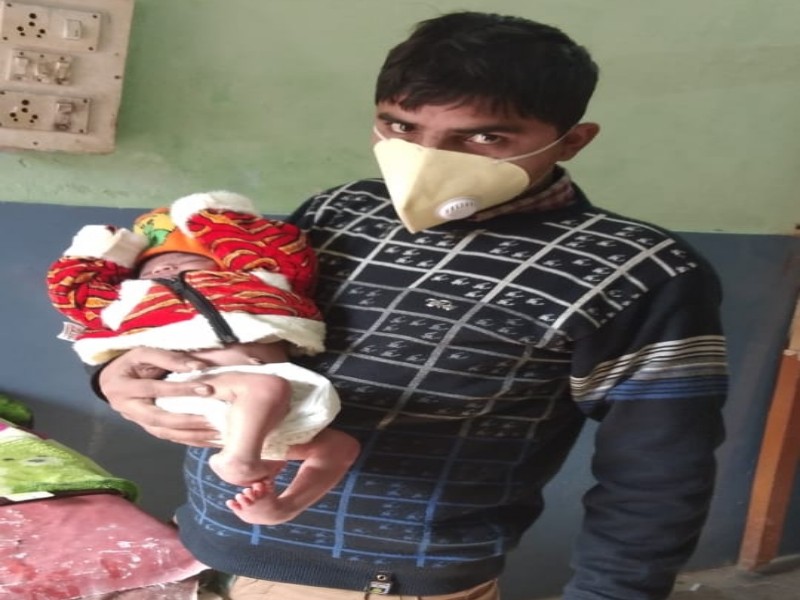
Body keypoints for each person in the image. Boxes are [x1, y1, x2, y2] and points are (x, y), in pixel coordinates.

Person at [92, 11, 728, 600]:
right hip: (207, 542)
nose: (428, 159)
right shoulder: (338, 210)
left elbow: (658, 473)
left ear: (572, 141)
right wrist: (116, 374)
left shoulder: (632, 271)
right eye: (401, 127)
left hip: (376, 583)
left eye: (484, 136)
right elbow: (229, 322)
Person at [47, 191, 360, 525]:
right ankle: (238, 459)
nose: (167, 267)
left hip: (271, 399)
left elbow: (274, 253)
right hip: (196, 386)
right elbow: (74, 291)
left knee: (339, 446)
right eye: (150, 270)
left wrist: (209, 216)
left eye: (186, 260)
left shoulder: (255, 283)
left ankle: (282, 507)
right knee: (265, 388)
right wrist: (102, 249)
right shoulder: (132, 302)